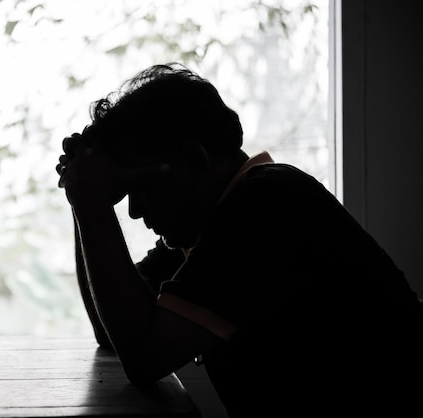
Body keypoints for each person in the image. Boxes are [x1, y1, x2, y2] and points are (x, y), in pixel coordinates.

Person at [55, 62, 423, 417]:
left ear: (194, 160)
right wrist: (85, 195)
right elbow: (114, 331)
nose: (134, 210)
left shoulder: (267, 207)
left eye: (143, 187)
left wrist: (91, 203)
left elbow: (145, 358)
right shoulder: (209, 225)